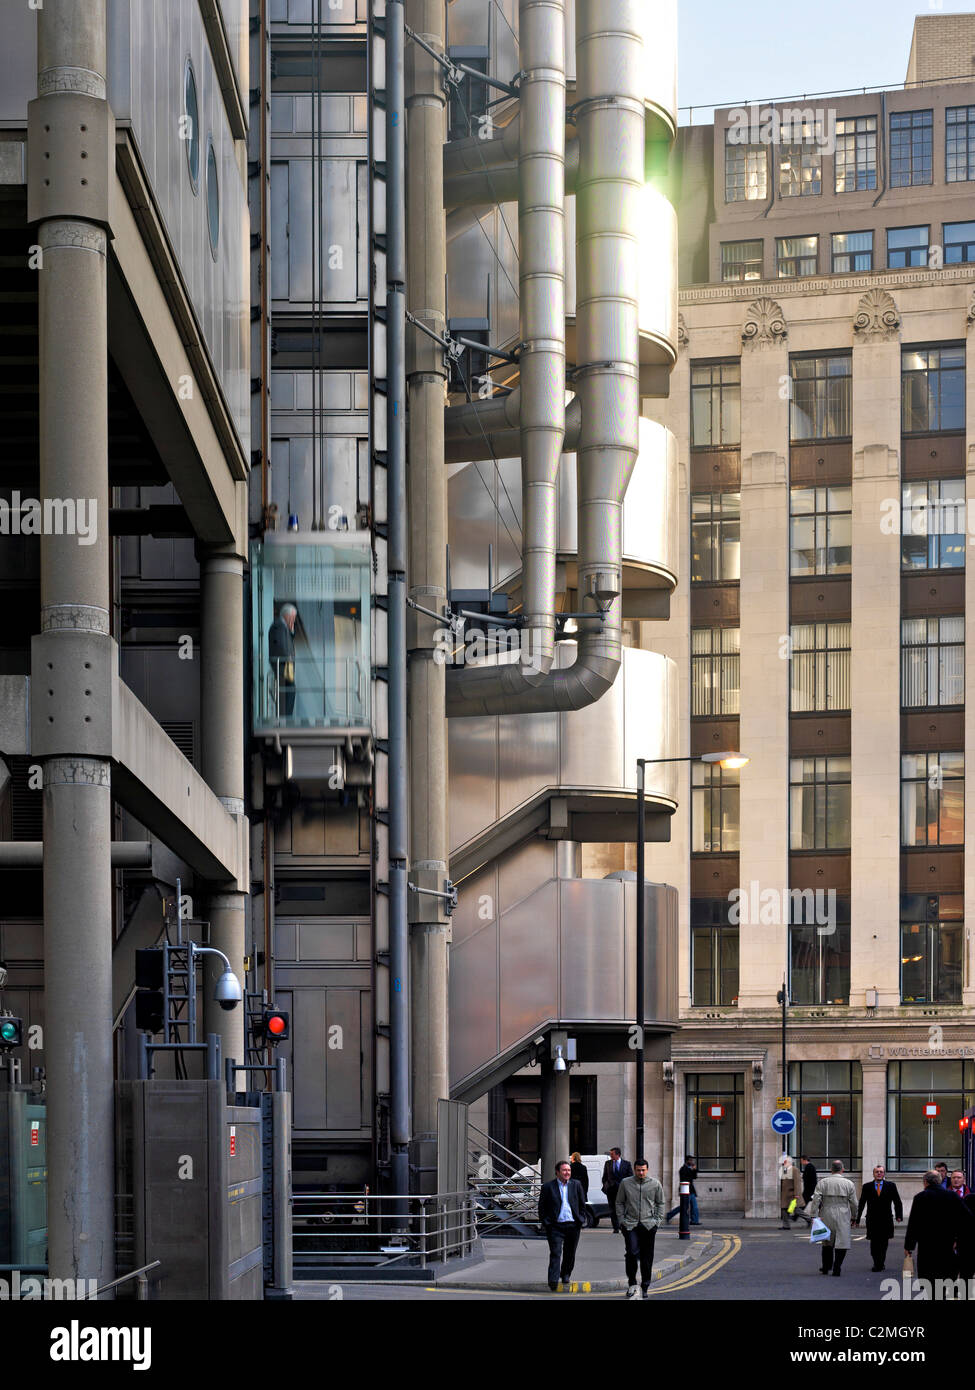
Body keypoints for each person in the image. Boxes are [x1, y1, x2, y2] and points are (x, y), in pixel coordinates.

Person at [904, 1168, 975, 1284]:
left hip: (927, 1247)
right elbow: (967, 1219)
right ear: (939, 1181)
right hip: (947, 1245)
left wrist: (909, 1246)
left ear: (925, 1182)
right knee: (945, 1279)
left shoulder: (920, 1197)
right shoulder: (952, 1196)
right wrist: (958, 1238)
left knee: (930, 1282)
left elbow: (913, 1224)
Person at [616, 1158, 665, 1299]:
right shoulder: (626, 1183)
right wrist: (621, 1221)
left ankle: (645, 1286)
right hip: (630, 1225)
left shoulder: (655, 1184)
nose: (641, 1172)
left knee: (647, 1257)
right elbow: (619, 1202)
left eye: (643, 1170)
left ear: (647, 1170)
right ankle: (632, 1284)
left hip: (649, 1225)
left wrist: (657, 1221)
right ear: (634, 1170)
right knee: (631, 1253)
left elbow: (660, 1203)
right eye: (638, 1170)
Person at [537, 1159, 587, 1292]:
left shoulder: (576, 1185)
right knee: (555, 1252)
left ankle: (565, 1274)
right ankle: (553, 1280)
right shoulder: (548, 1187)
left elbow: (582, 1204)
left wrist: (581, 1219)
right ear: (557, 1172)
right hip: (555, 1226)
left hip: (573, 1225)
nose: (567, 1172)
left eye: (569, 1170)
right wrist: (546, 1222)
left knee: (570, 1253)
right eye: (564, 1170)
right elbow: (542, 1207)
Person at [810, 1159, 858, 1276]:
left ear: (831, 1169)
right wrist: (854, 1217)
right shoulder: (849, 1183)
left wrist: (814, 1216)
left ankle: (826, 1266)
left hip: (827, 1211)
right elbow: (854, 1203)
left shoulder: (823, 1182)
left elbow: (816, 1200)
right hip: (843, 1212)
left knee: (827, 1241)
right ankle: (837, 1267)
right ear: (842, 1169)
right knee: (842, 1242)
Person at [855, 1164, 903, 1272]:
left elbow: (897, 1201)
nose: (879, 1174)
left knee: (884, 1242)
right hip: (872, 1219)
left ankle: (880, 1263)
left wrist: (899, 1215)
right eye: (877, 1172)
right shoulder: (867, 1186)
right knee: (874, 1243)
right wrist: (857, 1219)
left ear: (884, 1174)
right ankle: (877, 1262)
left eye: (881, 1172)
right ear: (873, 1174)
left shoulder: (891, 1186)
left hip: (886, 1219)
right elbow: (862, 1203)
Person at [268, 602, 298, 716]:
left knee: (289, 694)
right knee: (287, 695)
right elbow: (280, 645)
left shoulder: (283, 626)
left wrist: (291, 630)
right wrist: (288, 657)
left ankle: (286, 719)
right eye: (293, 617)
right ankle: (285, 720)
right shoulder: (279, 625)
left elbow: (288, 641)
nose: (294, 620)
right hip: (282, 668)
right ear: (288, 616)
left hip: (285, 669)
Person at [601, 1148, 633, 1234]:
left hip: (623, 1190)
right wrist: (605, 1186)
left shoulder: (626, 1164)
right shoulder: (608, 1163)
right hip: (611, 1190)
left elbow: (631, 1177)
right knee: (612, 1209)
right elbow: (605, 1176)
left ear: (618, 1155)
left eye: (612, 1154)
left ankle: (623, 1226)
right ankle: (615, 1227)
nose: (610, 1156)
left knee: (623, 1208)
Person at [665, 1156, 700, 1225]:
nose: (692, 1162)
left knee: (694, 1206)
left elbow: (694, 1177)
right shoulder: (683, 1169)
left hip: (691, 1190)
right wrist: (692, 1170)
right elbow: (686, 1179)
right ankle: (669, 1215)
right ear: (687, 1161)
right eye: (691, 1160)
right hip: (685, 1190)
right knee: (683, 1206)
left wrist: (694, 1170)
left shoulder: (690, 1169)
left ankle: (695, 1220)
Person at [792, 1155, 818, 1226]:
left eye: (801, 1160)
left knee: (802, 1204)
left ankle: (806, 1219)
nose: (801, 1162)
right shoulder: (809, 1167)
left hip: (809, 1191)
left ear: (804, 1160)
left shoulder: (810, 1167)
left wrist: (811, 1191)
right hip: (809, 1190)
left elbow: (812, 1181)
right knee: (802, 1204)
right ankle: (796, 1217)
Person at [779, 1153, 802, 1229]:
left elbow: (797, 1183)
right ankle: (786, 1226)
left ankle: (809, 1219)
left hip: (792, 1194)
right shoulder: (784, 1169)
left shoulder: (795, 1170)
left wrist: (796, 1194)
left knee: (796, 1210)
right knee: (784, 1209)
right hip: (785, 1194)